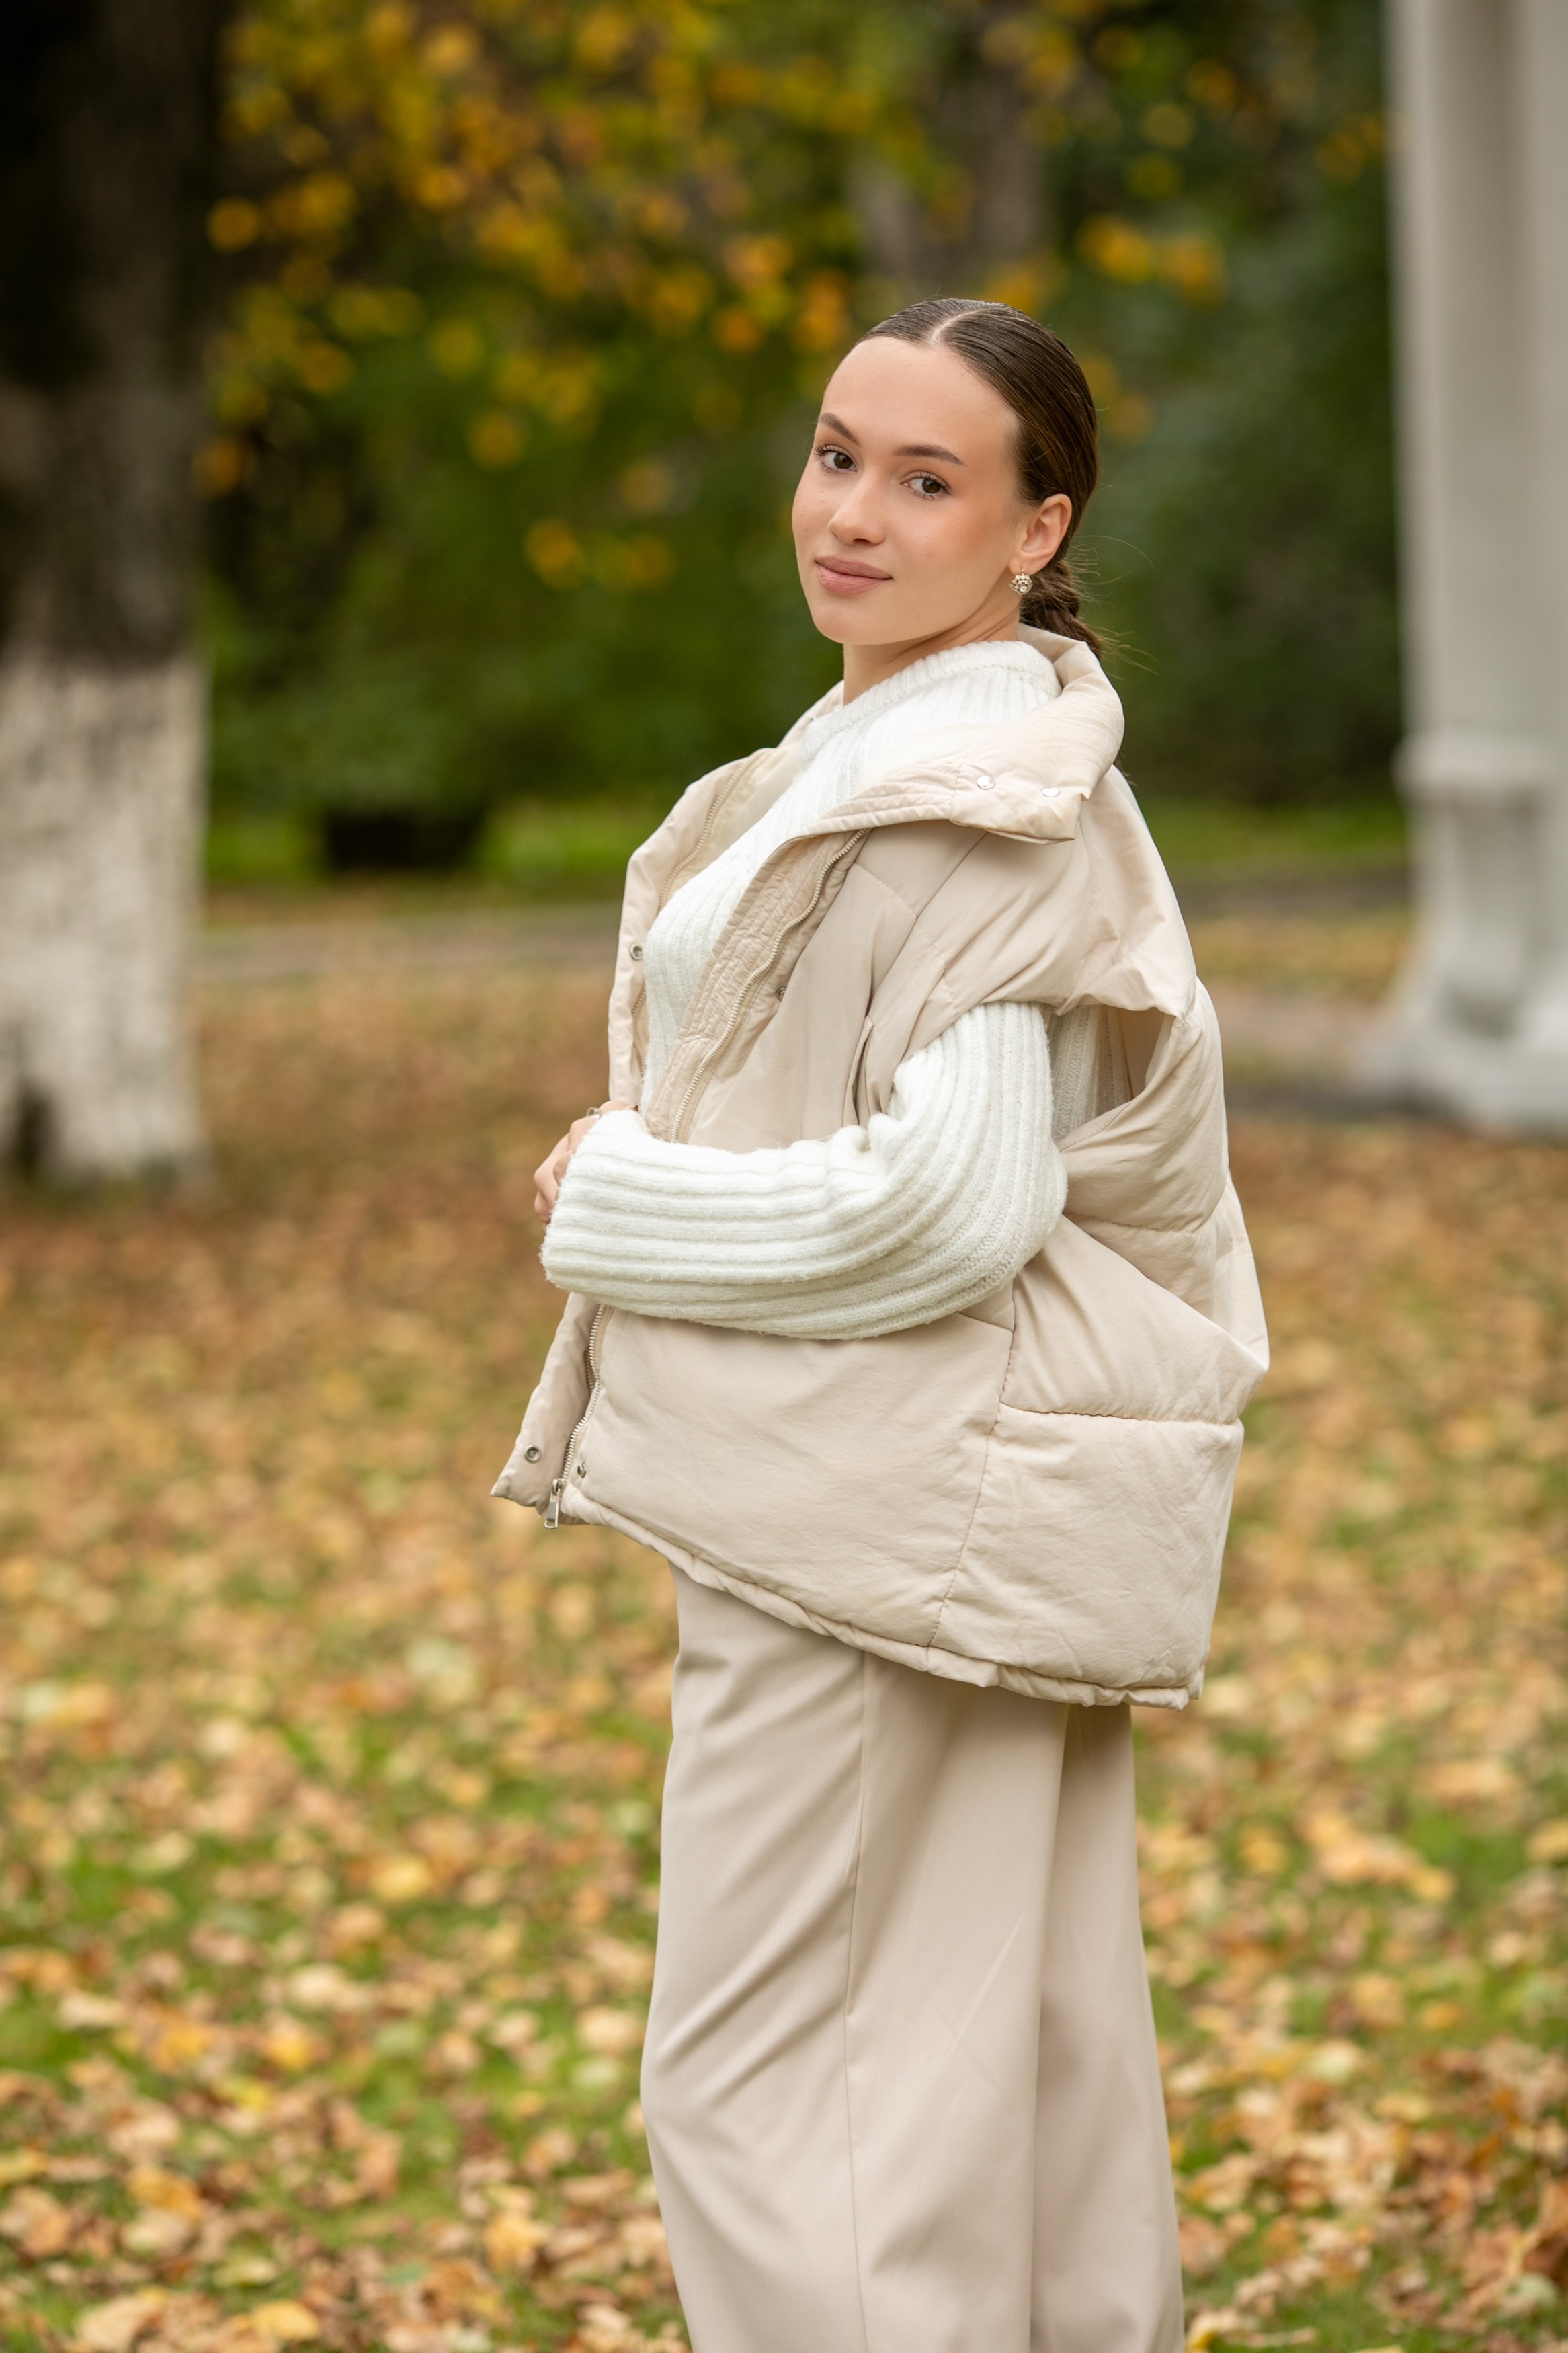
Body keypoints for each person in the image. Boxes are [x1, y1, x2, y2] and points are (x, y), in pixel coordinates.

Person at [495, 297, 1269, 2353]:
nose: (851, 510)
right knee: (996, 2066)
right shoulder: (892, 749)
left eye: (928, 479)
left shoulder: (975, 789)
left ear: (1037, 530)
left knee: (769, 2097)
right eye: (841, 452)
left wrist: (624, 1206)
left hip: (880, 1527)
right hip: (915, 1497)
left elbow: (958, 1200)